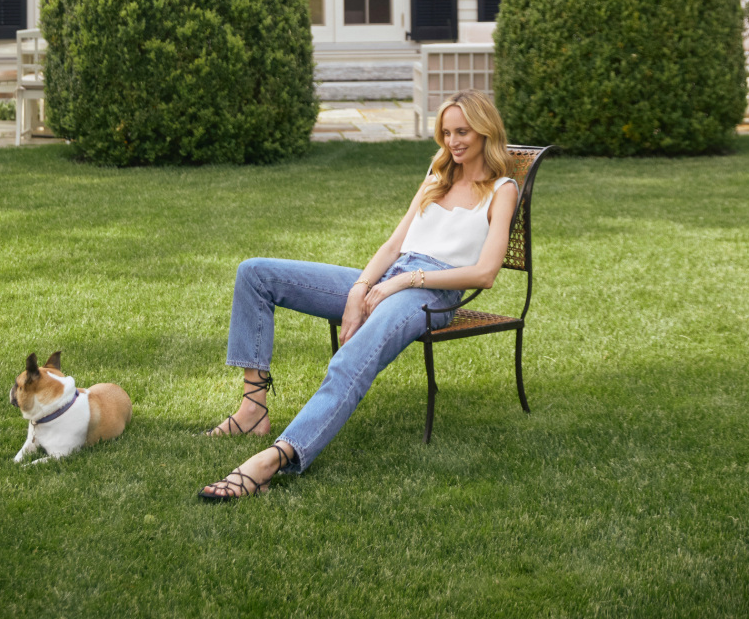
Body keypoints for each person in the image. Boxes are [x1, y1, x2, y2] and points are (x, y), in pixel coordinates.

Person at [198, 89, 520, 502]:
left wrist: (402, 283)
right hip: (393, 277)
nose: (454, 142)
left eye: (463, 132)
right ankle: (252, 410)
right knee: (256, 273)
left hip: (434, 294)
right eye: (446, 133)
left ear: (484, 131)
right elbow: (392, 246)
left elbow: (485, 273)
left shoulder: (502, 189)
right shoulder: (438, 176)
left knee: (351, 357)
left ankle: (276, 457)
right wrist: (360, 289)